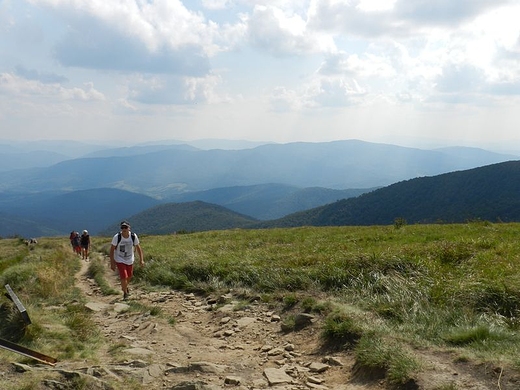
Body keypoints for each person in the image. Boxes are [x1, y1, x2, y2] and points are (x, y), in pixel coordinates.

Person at [110, 221, 144, 300]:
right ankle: (125, 293)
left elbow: (138, 248)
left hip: (129, 258)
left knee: (130, 275)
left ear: (129, 228)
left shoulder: (133, 236)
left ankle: (125, 287)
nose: (124, 229)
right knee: (124, 276)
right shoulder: (117, 237)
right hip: (119, 258)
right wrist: (112, 262)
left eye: (125, 227)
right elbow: (111, 250)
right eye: (122, 227)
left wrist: (141, 260)